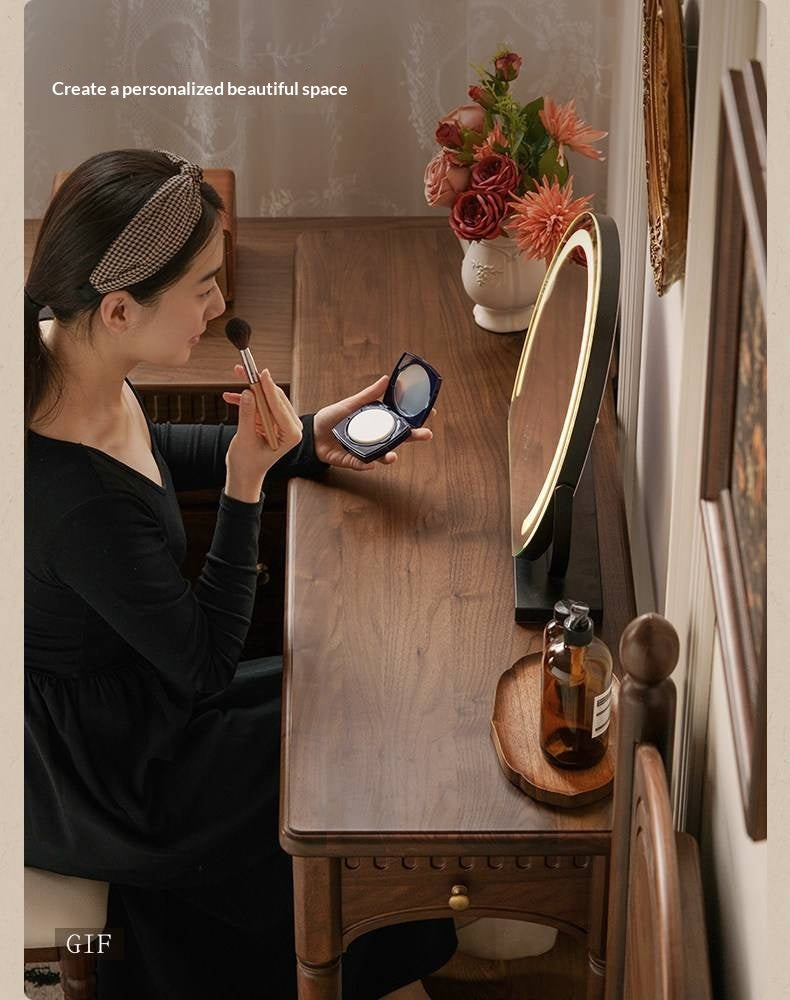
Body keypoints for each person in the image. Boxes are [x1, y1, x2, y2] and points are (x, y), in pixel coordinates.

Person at [24, 148, 457, 999]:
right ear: (117, 308)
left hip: (142, 690)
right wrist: (246, 485)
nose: (220, 306)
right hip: (113, 770)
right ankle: (352, 959)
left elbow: (151, 457)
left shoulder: (68, 357)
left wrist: (302, 441)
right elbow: (204, 663)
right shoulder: (71, 498)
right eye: (202, 287)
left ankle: (371, 949)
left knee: (344, 706)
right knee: (339, 757)